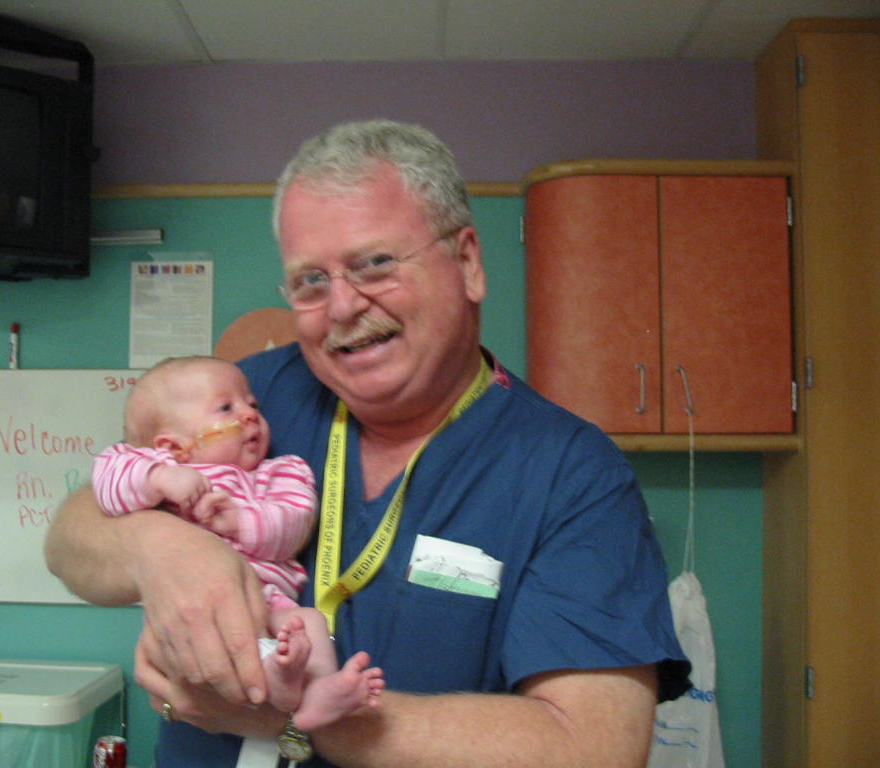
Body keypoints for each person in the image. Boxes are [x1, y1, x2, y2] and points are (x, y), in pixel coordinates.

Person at [46, 119, 691, 768]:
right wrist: (161, 550)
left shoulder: (570, 474)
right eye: (310, 281)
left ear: (467, 262)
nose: (343, 305)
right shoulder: (253, 399)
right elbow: (71, 536)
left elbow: (597, 748)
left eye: (375, 264)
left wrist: (307, 719)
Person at [91, 355, 385, 731]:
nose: (249, 414)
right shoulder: (156, 466)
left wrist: (239, 522)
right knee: (221, 643)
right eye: (226, 407)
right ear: (174, 446)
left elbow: (294, 523)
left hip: (271, 601)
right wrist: (161, 478)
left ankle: (313, 693)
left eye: (253, 404)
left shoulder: (281, 470)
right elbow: (107, 482)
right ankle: (281, 681)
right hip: (197, 612)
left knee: (307, 622)